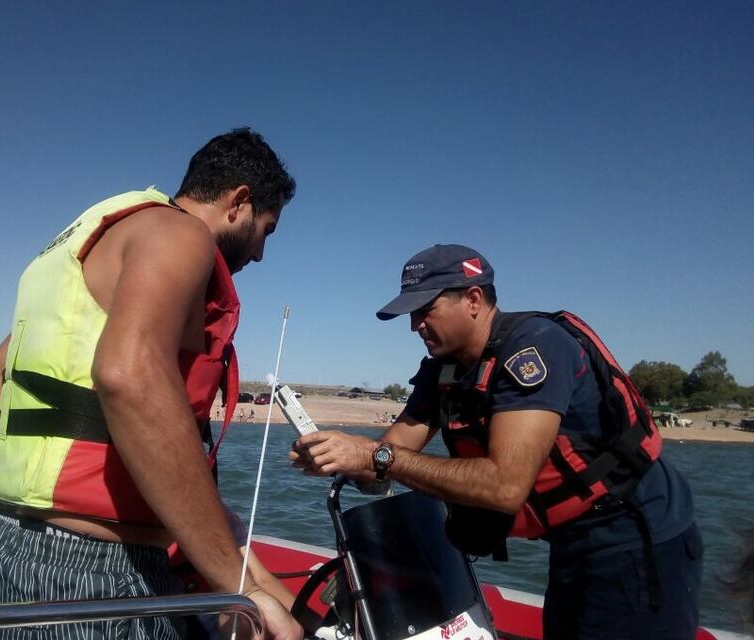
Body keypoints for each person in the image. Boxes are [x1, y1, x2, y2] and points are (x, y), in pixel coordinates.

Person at [0, 128, 301, 640]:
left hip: (5, 552)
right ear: (239, 202)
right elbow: (127, 375)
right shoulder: (179, 234)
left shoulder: (92, 243)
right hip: (92, 577)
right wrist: (240, 588)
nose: (259, 254)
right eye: (266, 231)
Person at [291, 244, 702, 640]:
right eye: (411, 313)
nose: (415, 324)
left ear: (473, 298)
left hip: (638, 534)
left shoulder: (534, 347)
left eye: (425, 309)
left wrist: (374, 455)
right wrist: (335, 455)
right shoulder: (442, 371)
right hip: (568, 543)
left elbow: (503, 487)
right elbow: (390, 450)